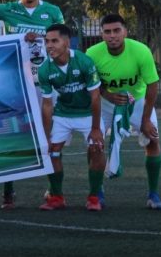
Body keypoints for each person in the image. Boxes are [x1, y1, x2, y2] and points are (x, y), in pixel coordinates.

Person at [0, 0, 64, 209]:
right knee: (13, 136)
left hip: (46, 85)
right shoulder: (5, 9)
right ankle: (8, 193)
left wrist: (41, 39)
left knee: (52, 137)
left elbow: (63, 42)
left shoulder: (52, 11)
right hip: (16, 85)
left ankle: (54, 191)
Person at [86, 14, 161, 209]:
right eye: (107, 32)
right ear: (102, 34)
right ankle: (97, 193)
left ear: (125, 32)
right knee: (94, 144)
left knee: (153, 139)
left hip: (137, 101)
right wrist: (108, 95)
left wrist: (146, 120)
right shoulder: (92, 53)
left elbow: (153, 86)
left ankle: (153, 195)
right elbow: (91, 86)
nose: (112, 35)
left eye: (116, 30)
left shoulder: (140, 51)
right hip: (105, 103)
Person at [37, 24, 105, 211]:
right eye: (47, 41)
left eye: (54, 41)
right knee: (53, 151)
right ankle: (57, 197)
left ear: (66, 42)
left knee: (97, 148)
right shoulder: (44, 70)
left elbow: (95, 96)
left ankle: (93, 197)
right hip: (63, 113)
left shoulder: (84, 62)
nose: (49, 45)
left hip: (87, 113)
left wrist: (96, 128)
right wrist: (46, 134)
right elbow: (48, 104)